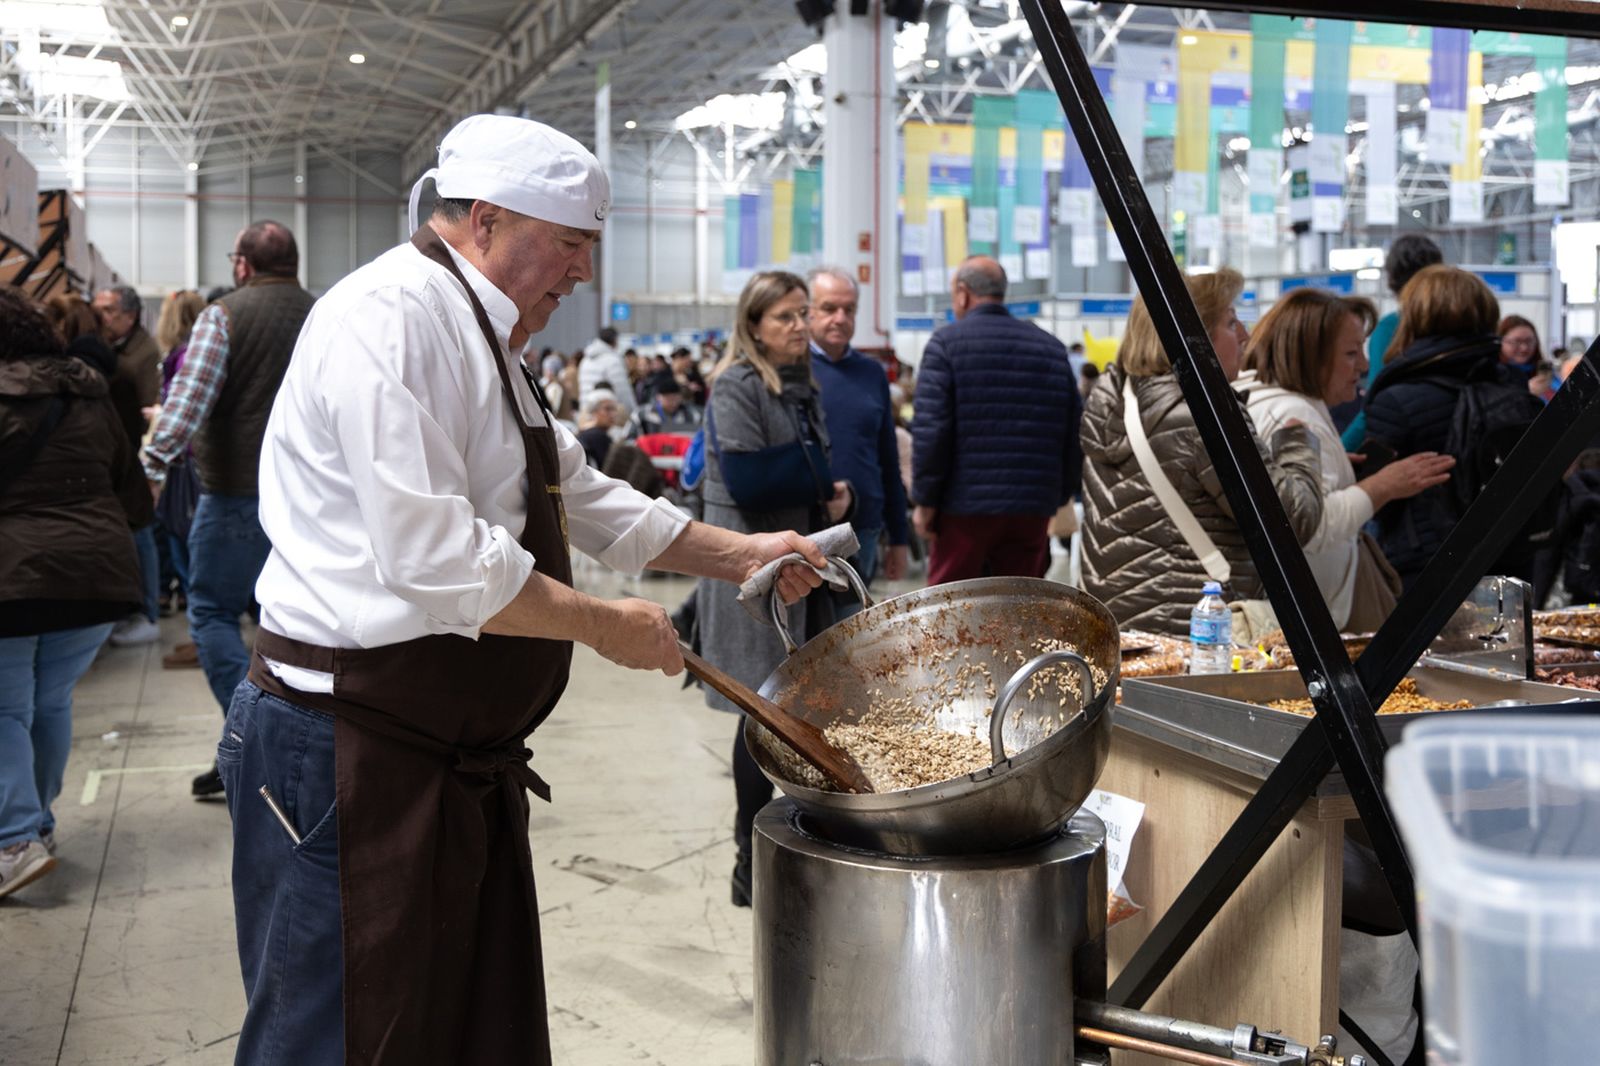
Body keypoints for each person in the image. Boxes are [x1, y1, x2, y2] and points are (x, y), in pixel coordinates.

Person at [229, 115, 826, 1066]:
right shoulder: (394, 318)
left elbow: (577, 491)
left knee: (450, 1025)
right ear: (488, 221)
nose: (582, 272)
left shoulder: (484, 334)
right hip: (348, 748)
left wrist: (741, 552)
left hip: (439, 752)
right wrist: (600, 624)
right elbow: (436, 557)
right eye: (571, 244)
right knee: (337, 1035)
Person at [140, 220, 317, 799]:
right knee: (294, 626)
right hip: (313, 501)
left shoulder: (225, 315)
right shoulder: (325, 313)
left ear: (242, 265)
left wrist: (152, 465)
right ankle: (294, 753)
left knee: (212, 613)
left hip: (238, 496)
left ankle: (246, 739)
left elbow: (188, 402)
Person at [696, 269, 851, 909]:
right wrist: (818, 478)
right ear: (754, 325)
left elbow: (804, 471)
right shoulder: (737, 384)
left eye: (802, 313)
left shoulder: (800, 388)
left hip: (795, 562)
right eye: (785, 316)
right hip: (746, 564)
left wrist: (827, 486)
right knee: (757, 710)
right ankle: (746, 857)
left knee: (793, 706)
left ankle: (791, 842)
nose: (799, 326)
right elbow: (752, 481)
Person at [0, 287, 151, 898]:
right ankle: (37, 825)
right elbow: (127, 481)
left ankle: (14, 840)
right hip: (96, 571)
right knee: (50, 703)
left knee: (7, 710)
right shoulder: (88, 392)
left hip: (12, 576)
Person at [1080, 268, 1324, 636]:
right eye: (1231, 322)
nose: (1245, 334)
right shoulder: (1203, 414)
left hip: (1116, 629)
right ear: (1194, 338)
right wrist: (1296, 447)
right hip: (1191, 631)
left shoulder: (1114, 401)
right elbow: (1291, 520)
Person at [1237, 289, 1455, 629]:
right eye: (1352, 353)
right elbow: (1313, 525)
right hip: (1317, 615)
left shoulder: (1269, 400)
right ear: (1311, 356)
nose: (1364, 366)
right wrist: (1383, 486)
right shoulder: (1294, 413)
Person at [1360, 266, 1552, 590]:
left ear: (1417, 316)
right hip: (1512, 566)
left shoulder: (1395, 398)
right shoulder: (1517, 393)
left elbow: (1378, 500)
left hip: (1421, 572)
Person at [911, 256, 1081, 585]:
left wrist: (926, 502)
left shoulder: (945, 344)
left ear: (962, 293)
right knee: (1016, 608)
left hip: (963, 507)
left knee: (951, 610)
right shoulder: (1051, 348)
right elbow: (1073, 431)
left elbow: (932, 432)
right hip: (1032, 506)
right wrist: (1059, 495)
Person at [807, 266, 910, 604]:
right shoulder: (791, 371)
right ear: (807, 311)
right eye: (828, 308)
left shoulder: (871, 374)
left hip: (861, 529)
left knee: (847, 636)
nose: (840, 318)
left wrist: (898, 537)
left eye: (848, 309)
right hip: (802, 528)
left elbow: (887, 459)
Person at [92, 284, 165, 648]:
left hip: (133, 457)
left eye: (110, 311)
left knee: (142, 535)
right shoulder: (118, 348)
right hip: (122, 456)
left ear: (130, 316)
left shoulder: (139, 353)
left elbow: (149, 406)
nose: (102, 318)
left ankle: (147, 613)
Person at [1341, 235, 1443, 450]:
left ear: (1392, 279)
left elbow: (1374, 406)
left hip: (1411, 450)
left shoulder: (1391, 328)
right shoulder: (1460, 327)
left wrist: (1339, 454)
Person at [152, 289, 207, 669]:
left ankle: (199, 639)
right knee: (184, 544)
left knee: (184, 543)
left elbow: (185, 411)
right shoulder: (188, 355)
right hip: (189, 463)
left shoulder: (185, 358)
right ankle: (198, 637)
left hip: (187, 465)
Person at [579, 326, 634, 418]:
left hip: (587, 412)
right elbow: (622, 392)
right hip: (606, 415)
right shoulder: (612, 361)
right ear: (615, 340)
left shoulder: (585, 360)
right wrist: (632, 412)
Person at [629, 373, 702, 436]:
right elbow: (629, 437)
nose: (673, 403)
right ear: (658, 397)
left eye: (676, 399)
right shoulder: (642, 414)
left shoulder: (690, 415)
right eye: (669, 399)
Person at [576, 387, 621, 467]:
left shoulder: (584, 432)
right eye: (607, 409)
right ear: (594, 411)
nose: (613, 414)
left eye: (614, 409)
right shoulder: (596, 435)